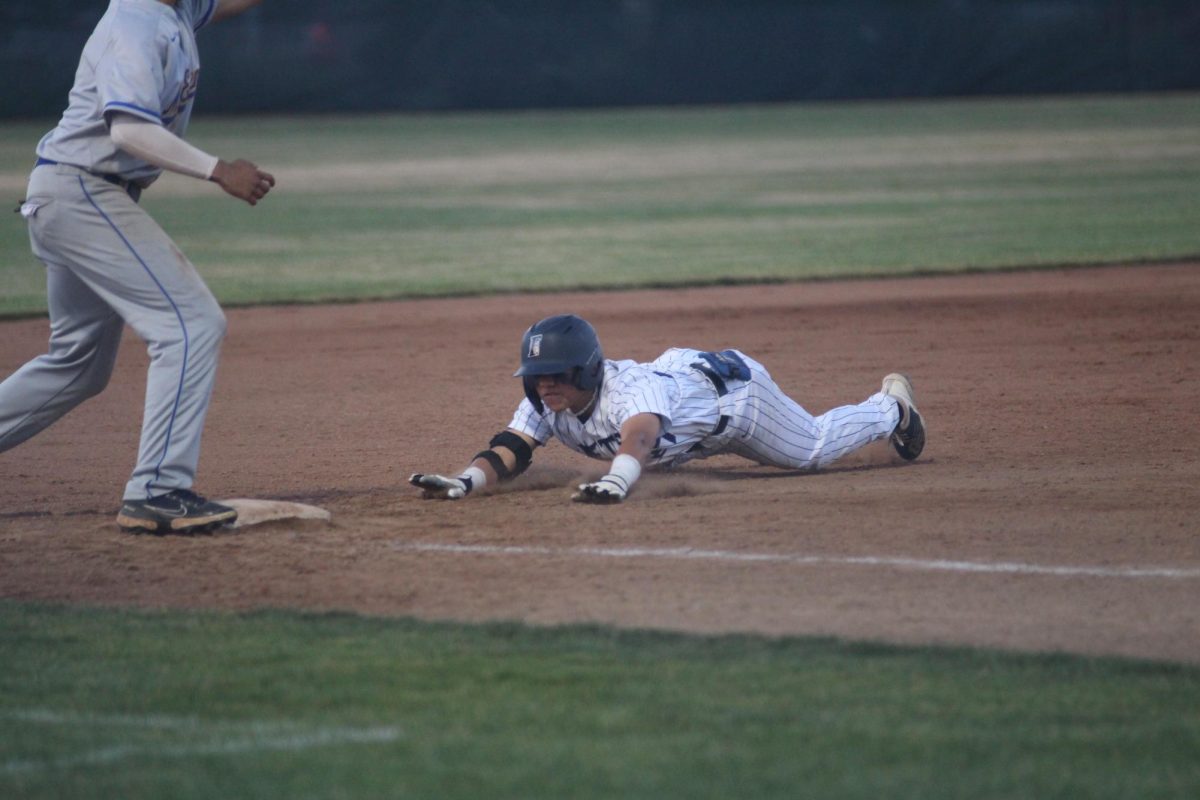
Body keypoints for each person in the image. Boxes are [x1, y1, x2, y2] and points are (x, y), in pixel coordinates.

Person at [0, 0, 274, 534]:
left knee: (78, 364)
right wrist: (218, 170)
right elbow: (128, 130)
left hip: (70, 191)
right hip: (83, 193)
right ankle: (157, 489)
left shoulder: (176, 9)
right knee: (191, 324)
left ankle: (157, 486)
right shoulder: (135, 23)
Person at [410, 314, 926, 504]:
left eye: (556, 375)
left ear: (587, 371)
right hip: (680, 378)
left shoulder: (628, 394)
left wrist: (618, 480)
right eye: (536, 377)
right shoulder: (547, 403)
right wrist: (466, 482)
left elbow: (640, 435)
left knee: (811, 450)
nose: (544, 386)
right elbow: (510, 450)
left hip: (734, 400)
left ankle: (891, 408)